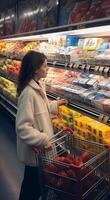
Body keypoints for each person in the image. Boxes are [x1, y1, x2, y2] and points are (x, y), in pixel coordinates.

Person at [16, 50, 67, 200]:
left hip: (40, 152)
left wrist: (55, 105)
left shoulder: (38, 85)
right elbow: (23, 127)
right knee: (31, 188)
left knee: (36, 185)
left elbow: (41, 110)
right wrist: (44, 139)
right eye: (45, 66)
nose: (48, 68)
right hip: (35, 152)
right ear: (35, 69)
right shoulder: (28, 93)